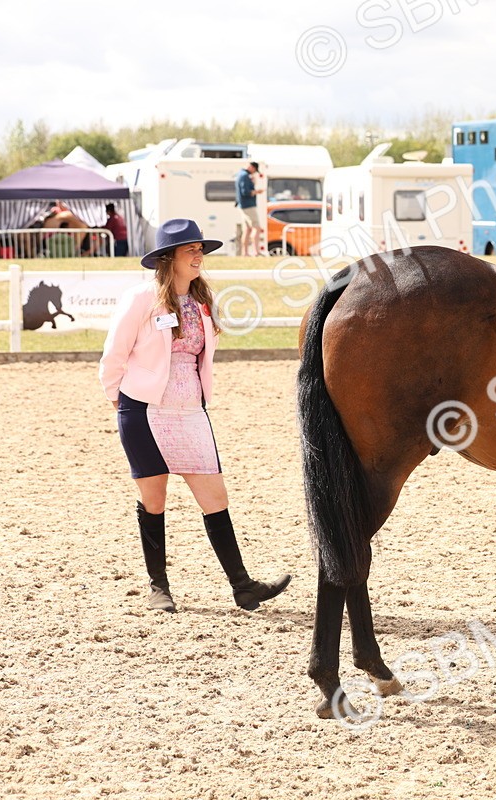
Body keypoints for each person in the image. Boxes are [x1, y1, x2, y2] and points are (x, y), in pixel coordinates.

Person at [98, 218, 291, 613]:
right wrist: (120, 403)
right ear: (168, 258)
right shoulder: (140, 298)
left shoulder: (202, 302)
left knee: (215, 498)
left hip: (191, 414)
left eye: (201, 249)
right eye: (191, 249)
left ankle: (243, 586)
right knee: (154, 500)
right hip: (145, 413)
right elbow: (113, 356)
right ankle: (159, 588)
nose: (199, 255)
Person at [235, 161, 265, 256]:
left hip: (242, 205)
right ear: (252, 167)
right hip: (248, 205)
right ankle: (256, 251)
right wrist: (257, 191)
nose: (254, 172)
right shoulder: (245, 176)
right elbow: (246, 192)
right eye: (255, 170)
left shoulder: (240, 174)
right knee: (256, 228)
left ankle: (245, 253)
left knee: (247, 229)